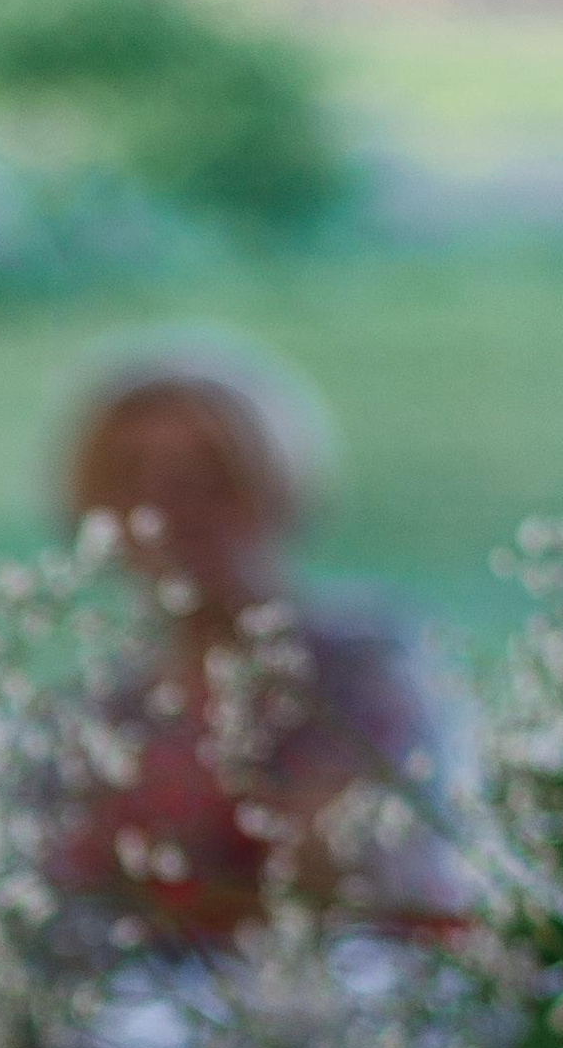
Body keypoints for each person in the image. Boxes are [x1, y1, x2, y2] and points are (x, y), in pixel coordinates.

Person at [50, 333, 438, 939]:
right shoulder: (98, 714)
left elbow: (360, 875)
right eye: (134, 479)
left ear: (275, 484)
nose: (171, 507)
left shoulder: (362, 666)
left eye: (210, 475)